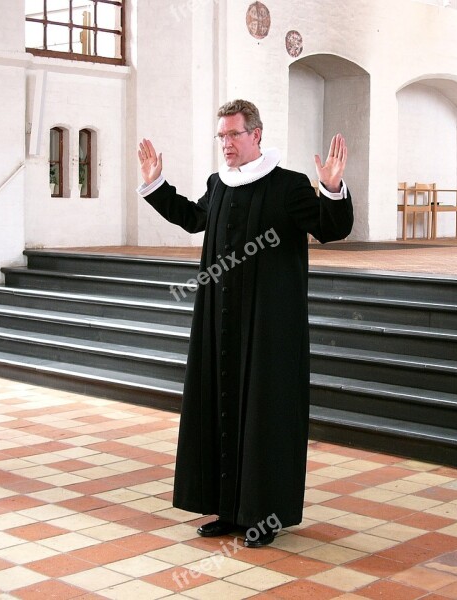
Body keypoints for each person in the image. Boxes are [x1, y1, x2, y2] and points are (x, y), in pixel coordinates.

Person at [137, 99, 353, 547]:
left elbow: (332, 229)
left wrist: (331, 189)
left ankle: (263, 518)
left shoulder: (290, 185)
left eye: (234, 135)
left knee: (265, 420)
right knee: (221, 407)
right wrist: (155, 185)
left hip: (270, 328)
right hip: (220, 322)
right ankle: (227, 510)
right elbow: (195, 219)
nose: (226, 144)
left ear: (256, 134)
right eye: (221, 136)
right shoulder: (219, 184)